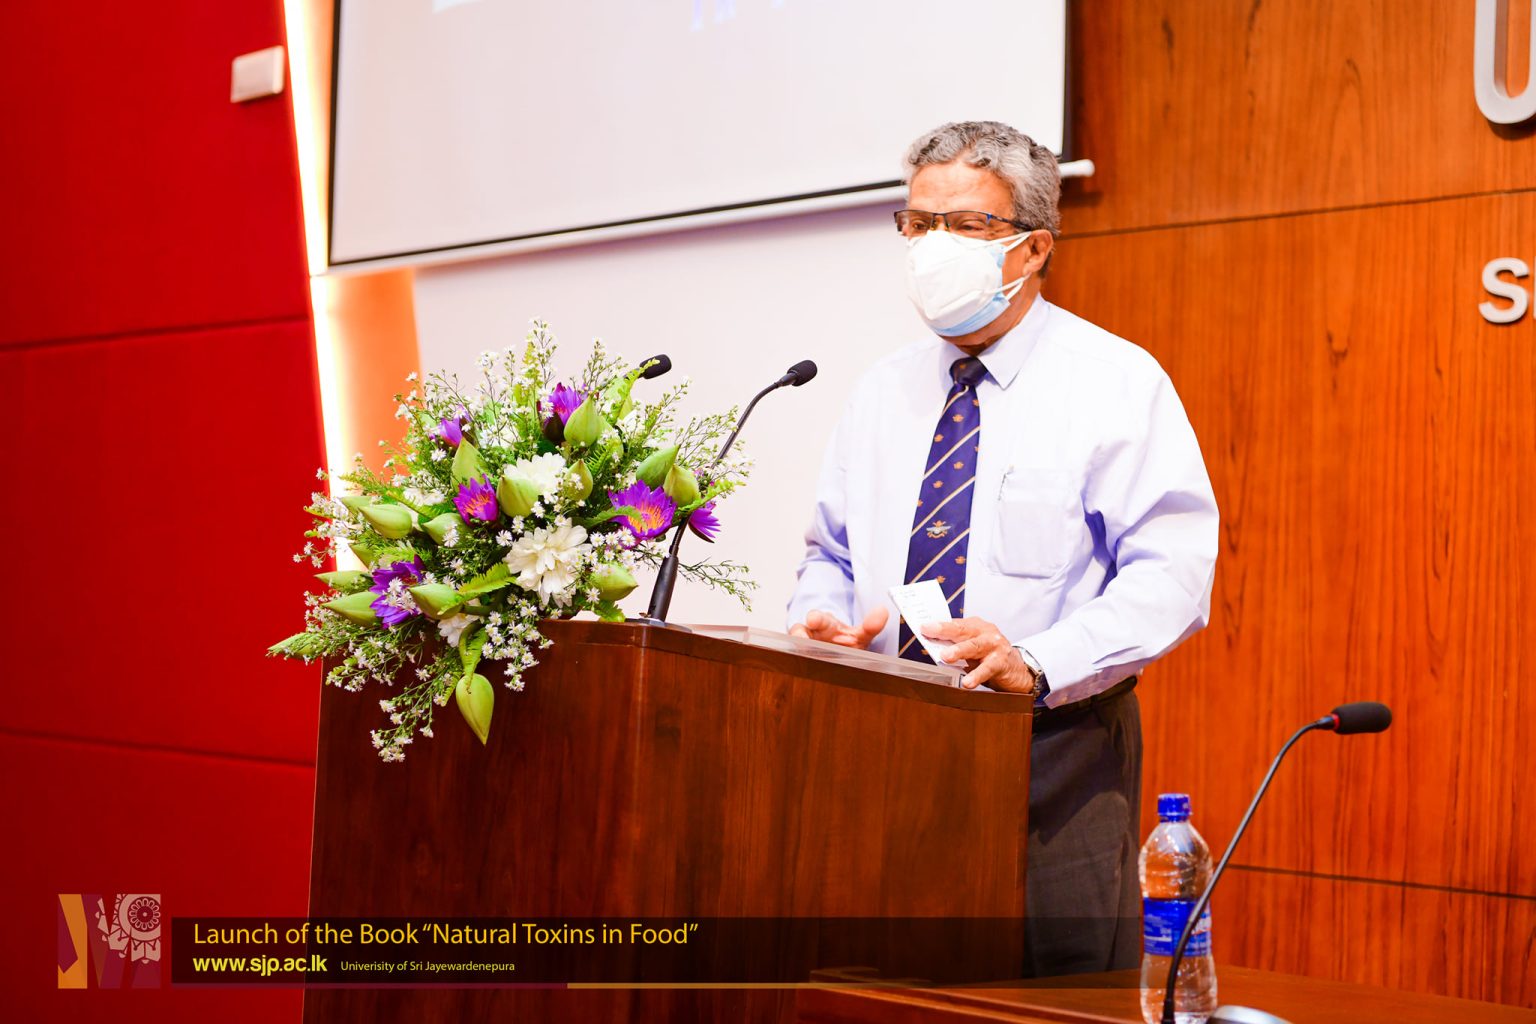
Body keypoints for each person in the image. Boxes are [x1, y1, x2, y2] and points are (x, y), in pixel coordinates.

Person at [786, 120, 1219, 976]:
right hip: (882, 745)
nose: (932, 246)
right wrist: (822, 621)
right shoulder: (882, 391)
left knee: (1052, 994)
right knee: (882, 984)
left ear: (1033, 247)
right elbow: (829, 552)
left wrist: (1037, 661)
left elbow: (1172, 575)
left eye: (966, 225)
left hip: (1052, 753)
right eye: (919, 223)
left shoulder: (1115, 382)